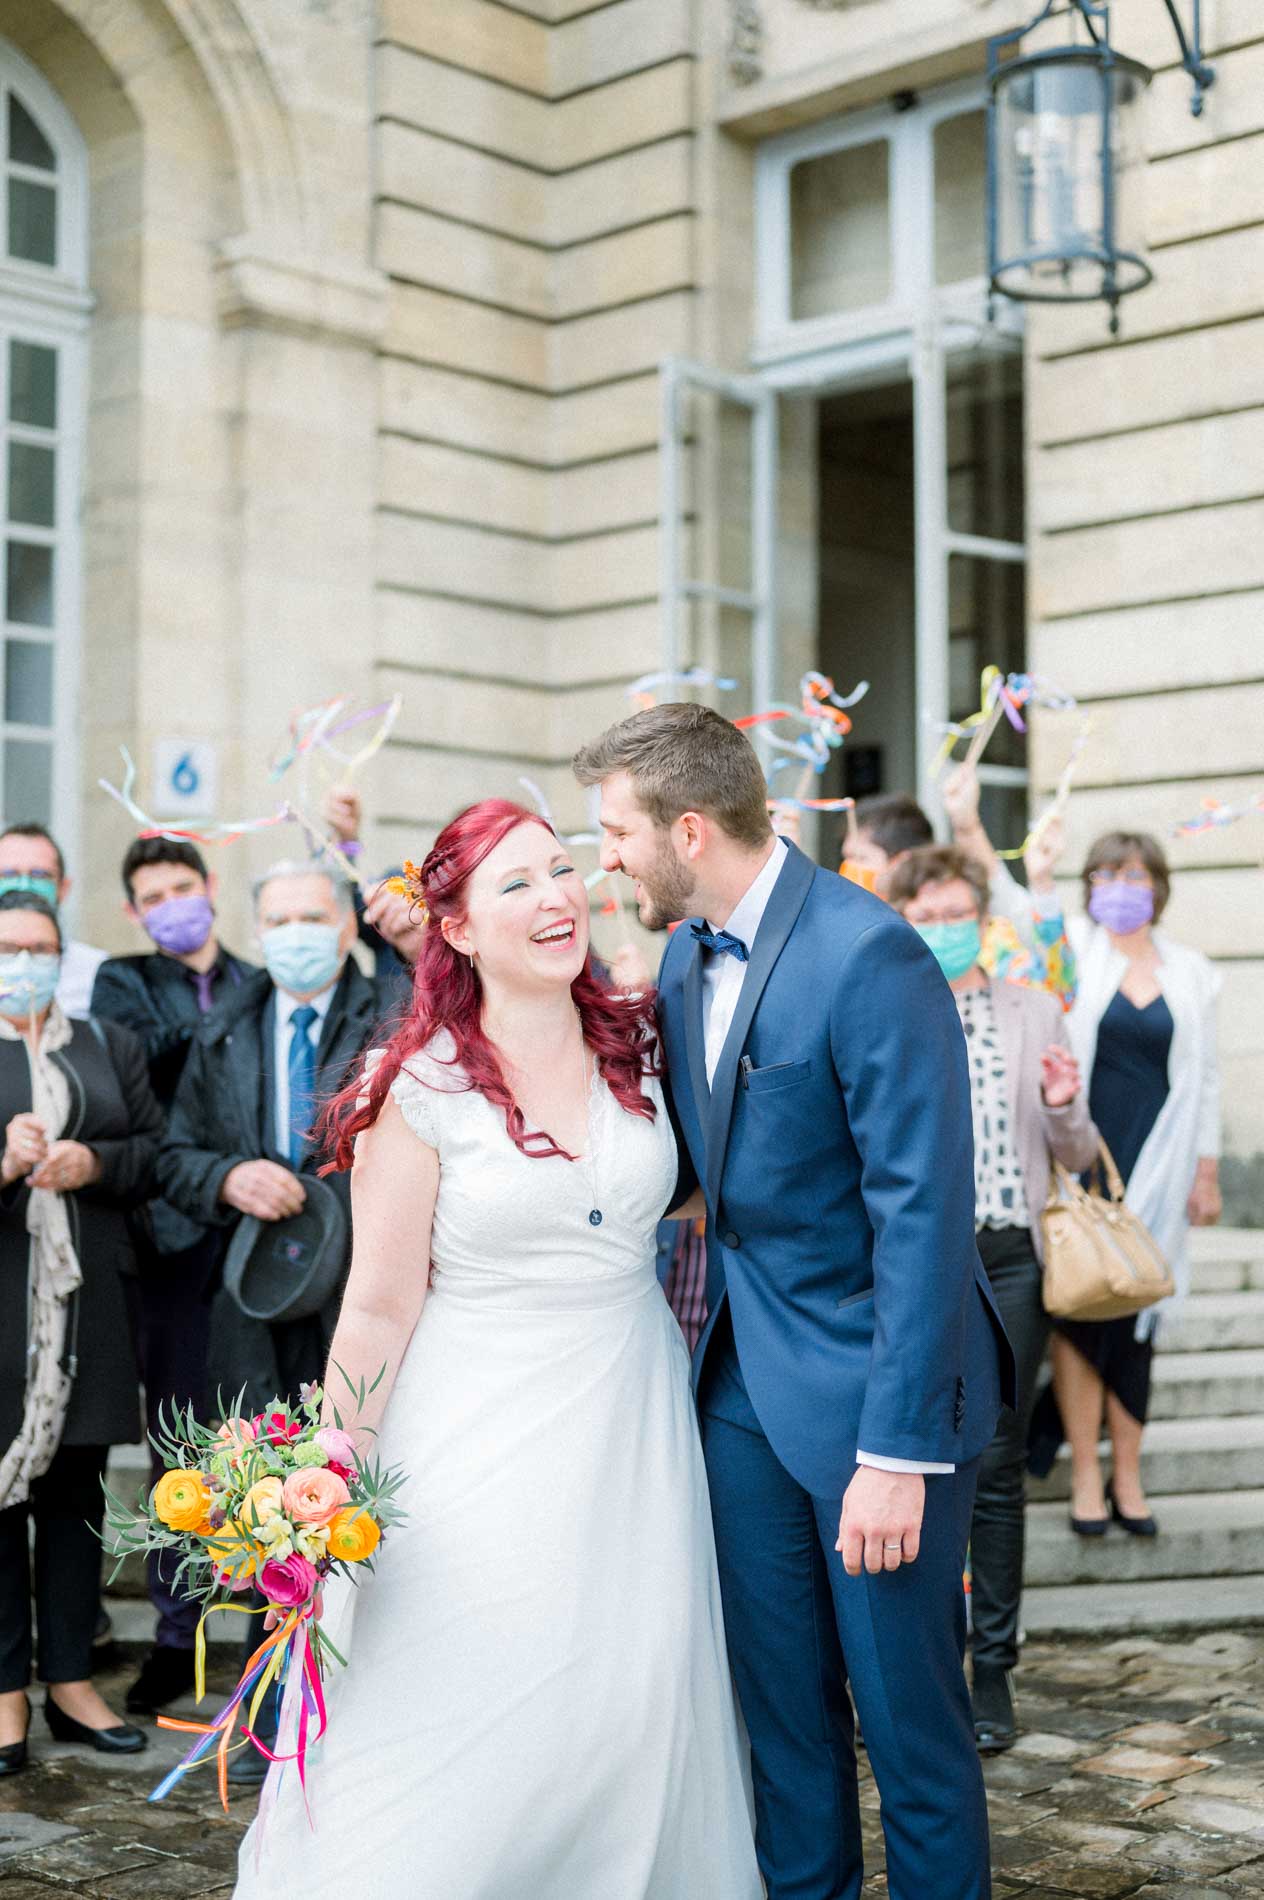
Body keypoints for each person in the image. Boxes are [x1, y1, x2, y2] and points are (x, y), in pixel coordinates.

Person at [231, 801, 760, 1898]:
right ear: (456, 928)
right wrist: (328, 1480)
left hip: (632, 1425)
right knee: (469, 1696)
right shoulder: (415, 1085)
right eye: (515, 883)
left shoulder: (643, 1041)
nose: (555, 896)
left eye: (562, 869)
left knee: (626, 1701)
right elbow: (377, 1308)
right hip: (478, 1439)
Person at [573, 704, 1014, 1900]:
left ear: (691, 828)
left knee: (911, 1736)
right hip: (736, 1391)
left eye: (617, 831)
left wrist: (898, 1449)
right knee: (784, 1731)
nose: (604, 854)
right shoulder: (679, 951)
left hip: (875, 1402)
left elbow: (923, 1216)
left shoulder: (868, 954)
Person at [158, 859, 377, 1786]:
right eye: (276, 916)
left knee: (350, 1496)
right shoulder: (226, 1028)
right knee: (257, 1501)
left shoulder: (396, 1015)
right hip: (253, 1298)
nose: (293, 931)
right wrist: (224, 1177)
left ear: (344, 926)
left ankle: (348, 1712)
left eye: (311, 915)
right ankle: (267, 1710)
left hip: (361, 1293)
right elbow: (176, 1156)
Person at [887, 845, 1098, 1754]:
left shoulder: (1031, 1006)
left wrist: (1061, 1105)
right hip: (917, 1259)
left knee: (1000, 1462)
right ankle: (916, 1664)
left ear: (982, 915)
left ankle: (994, 1671)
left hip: (1010, 1256)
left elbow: (1081, 1154)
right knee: (912, 1450)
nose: (942, 927)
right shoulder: (889, 1008)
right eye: (924, 915)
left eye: (954, 911)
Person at [0, 891, 164, 1776]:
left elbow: (149, 1153)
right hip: (1, 1316)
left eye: (39, 948)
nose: (23, 961)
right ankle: (2, 1693)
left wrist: (90, 1162)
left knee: (76, 1505)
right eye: (8, 947)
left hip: (86, 1309)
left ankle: (70, 1681)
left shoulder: (103, 1044)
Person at [90, 838, 255, 1715]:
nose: (172, 905)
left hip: (254, 1242)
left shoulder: (255, 979)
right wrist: (225, 1027)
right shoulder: (123, 981)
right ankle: (173, 1633)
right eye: (154, 896)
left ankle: (272, 1614)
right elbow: (144, 1060)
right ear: (134, 909)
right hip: (168, 1240)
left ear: (211, 889)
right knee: (177, 1442)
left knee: (258, 1432)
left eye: (183, 889)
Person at [1030, 831, 1221, 1537]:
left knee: (1141, 1314)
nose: (1120, 886)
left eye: (1134, 874)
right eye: (1106, 872)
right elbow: (1034, 923)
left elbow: (1206, 1080)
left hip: (1164, 1160)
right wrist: (1041, 875)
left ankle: (1128, 1475)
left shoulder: (1194, 971)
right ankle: (1084, 1472)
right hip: (1085, 1154)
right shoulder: (1078, 949)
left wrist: (1205, 1170)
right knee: (1083, 1312)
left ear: (1158, 886)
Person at [0, 823, 106, 1018]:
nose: (24, 886)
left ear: (63, 888)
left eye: (39, 875)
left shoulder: (97, 970)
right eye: (8, 874)